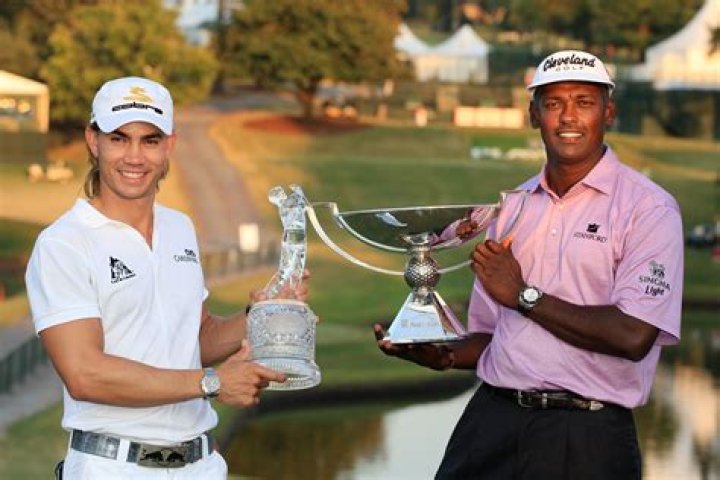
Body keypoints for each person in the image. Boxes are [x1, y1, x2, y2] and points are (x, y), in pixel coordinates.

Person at [375, 50, 684, 479]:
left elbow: (633, 336)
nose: (568, 117)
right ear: (534, 114)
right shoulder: (511, 209)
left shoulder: (649, 209)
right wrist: (442, 355)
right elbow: (492, 336)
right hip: (492, 420)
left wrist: (524, 296)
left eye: (584, 102)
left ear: (608, 112)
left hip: (588, 433)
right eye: (553, 103)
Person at [25, 76, 303, 479]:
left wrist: (263, 313)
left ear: (169, 145)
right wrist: (211, 383)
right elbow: (85, 374)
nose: (134, 157)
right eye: (119, 139)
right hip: (114, 467)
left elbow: (194, 340)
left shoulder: (179, 227)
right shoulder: (64, 243)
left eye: (150, 140)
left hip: (200, 465)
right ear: (93, 141)